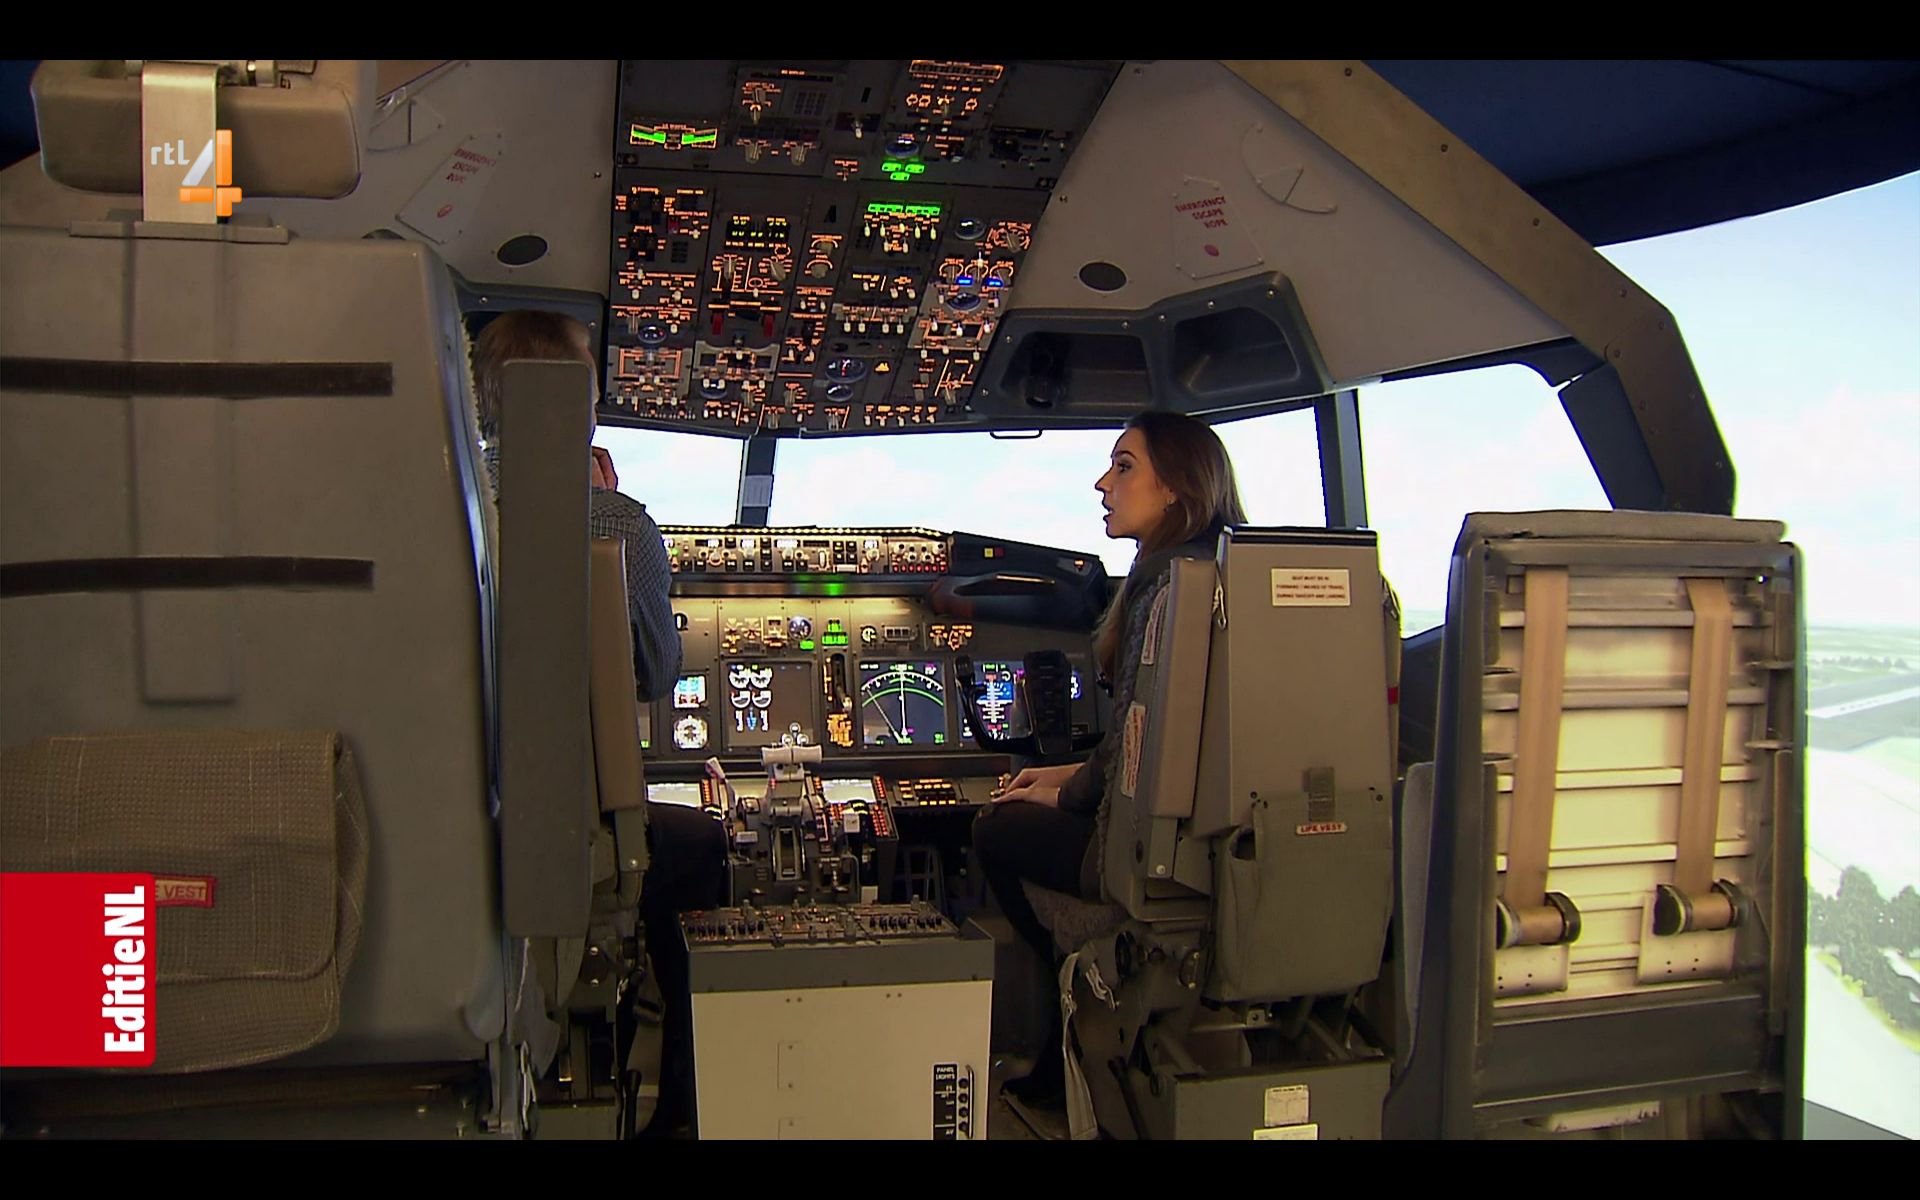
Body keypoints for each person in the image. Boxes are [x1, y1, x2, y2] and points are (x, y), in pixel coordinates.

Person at [469, 310, 726, 1137]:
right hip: (576, 839)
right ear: (574, 400)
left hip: (461, 827)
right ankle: (681, 1107)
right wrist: (608, 506)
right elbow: (653, 675)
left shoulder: (436, 505)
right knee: (702, 847)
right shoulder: (618, 522)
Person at [970, 410, 1247, 1104]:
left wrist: (1058, 794)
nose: (1103, 483)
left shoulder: (1166, 590)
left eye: (1124, 466)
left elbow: (1136, 748)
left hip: (1146, 856)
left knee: (995, 826)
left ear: (1178, 486)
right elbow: (1161, 739)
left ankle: (1068, 1028)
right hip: (1232, 849)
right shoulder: (1230, 577)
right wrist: (1065, 773)